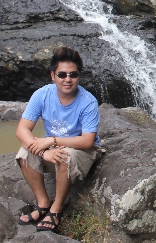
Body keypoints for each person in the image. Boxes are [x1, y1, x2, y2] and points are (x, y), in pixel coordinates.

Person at [15, 46, 102, 232]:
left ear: (79, 76)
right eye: (62, 74)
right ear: (52, 75)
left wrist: (51, 141)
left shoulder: (88, 101)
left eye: (73, 74)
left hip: (82, 149)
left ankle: (56, 209)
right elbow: (22, 130)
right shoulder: (41, 95)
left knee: (65, 155)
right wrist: (45, 151)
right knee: (24, 153)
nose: (68, 79)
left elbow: (87, 140)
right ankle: (43, 203)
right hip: (53, 148)